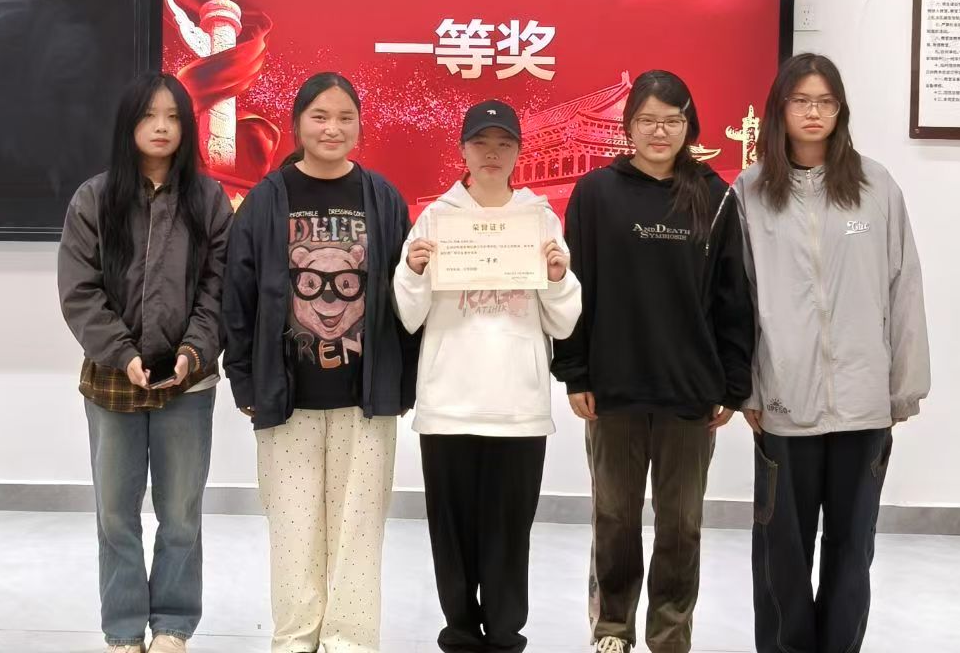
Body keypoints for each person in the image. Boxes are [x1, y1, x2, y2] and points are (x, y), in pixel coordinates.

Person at [551, 69, 755, 653]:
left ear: (689, 126)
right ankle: (612, 627)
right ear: (628, 126)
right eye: (647, 120)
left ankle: (670, 633)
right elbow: (576, 289)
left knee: (681, 525)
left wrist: (732, 383)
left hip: (689, 390)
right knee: (613, 519)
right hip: (612, 387)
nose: (659, 131)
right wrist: (575, 371)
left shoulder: (715, 195)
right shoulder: (596, 193)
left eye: (671, 120)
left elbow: (732, 297)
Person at [734, 52, 930, 653]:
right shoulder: (751, 192)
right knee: (782, 552)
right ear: (780, 109)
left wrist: (905, 385)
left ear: (840, 110)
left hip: (863, 402)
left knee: (852, 548)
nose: (813, 112)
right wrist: (745, 387)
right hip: (784, 400)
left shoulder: (875, 187)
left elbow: (904, 286)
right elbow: (737, 298)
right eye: (801, 101)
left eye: (825, 102)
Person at [222, 72, 418, 653]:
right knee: (293, 528)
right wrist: (244, 381)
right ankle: (295, 637)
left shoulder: (383, 198)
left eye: (345, 117)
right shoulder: (266, 199)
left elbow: (406, 297)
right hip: (287, 397)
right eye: (320, 116)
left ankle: (349, 639)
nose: (333, 128)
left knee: (359, 529)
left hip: (366, 400)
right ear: (297, 124)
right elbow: (238, 295)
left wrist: (402, 382)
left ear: (359, 126)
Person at [394, 100, 582, 653]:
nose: (492, 153)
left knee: (509, 535)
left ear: (520, 152)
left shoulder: (539, 219)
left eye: (504, 143)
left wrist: (557, 278)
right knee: (450, 536)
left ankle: (504, 638)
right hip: (447, 404)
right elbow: (408, 314)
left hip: (518, 407)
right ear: (463, 150)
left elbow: (564, 321)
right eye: (481, 143)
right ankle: (459, 636)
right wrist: (414, 270)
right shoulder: (436, 218)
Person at [58, 72, 235, 653]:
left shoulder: (208, 200)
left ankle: (174, 626)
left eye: (174, 117)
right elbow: (80, 293)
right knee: (115, 513)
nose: (161, 127)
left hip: (188, 381)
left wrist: (192, 353)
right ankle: (124, 629)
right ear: (128, 125)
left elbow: (218, 290)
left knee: (181, 511)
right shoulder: (94, 199)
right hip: (113, 380)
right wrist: (124, 354)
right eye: (149, 115)